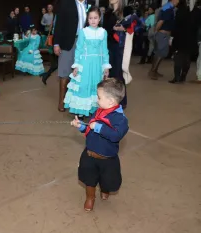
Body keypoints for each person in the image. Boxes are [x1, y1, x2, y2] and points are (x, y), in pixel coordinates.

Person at [70, 78, 129, 212]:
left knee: (107, 179)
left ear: (111, 101)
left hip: (107, 158)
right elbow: (89, 130)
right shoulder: (98, 112)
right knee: (89, 178)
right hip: (90, 153)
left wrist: (98, 127)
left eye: (99, 97)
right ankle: (90, 197)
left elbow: (115, 136)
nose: (97, 99)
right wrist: (80, 127)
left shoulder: (121, 120)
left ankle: (105, 189)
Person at [64, 6, 111, 117]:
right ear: (87, 19)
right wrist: (76, 65)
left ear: (99, 19)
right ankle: (81, 110)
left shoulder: (103, 32)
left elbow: (105, 50)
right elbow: (79, 49)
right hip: (84, 63)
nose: (93, 20)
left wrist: (106, 66)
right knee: (84, 85)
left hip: (97, 64)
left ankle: (93, 109)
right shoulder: (83, 32)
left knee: (96, 86)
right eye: (90, 18)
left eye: (95, 18)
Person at [53, 0, 88, 112]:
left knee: (82, 72)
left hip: (85, 43)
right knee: (65, 72)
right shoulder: (66, 3)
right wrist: (56, 43)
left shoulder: (89, 4)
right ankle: (62, 101)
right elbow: (59, 24)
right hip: (68, 42)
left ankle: (78, 101)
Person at [103, 0, 127, 108]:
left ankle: (122, 101)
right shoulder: (108, 12)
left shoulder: (124, 11)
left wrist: (124, 28)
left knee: (117, 73)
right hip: (108, 45)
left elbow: (133, 27)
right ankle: (113, 100)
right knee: (110, 74)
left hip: (118, 46)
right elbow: (105, 29)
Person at [148, 0, 179, 80]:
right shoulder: (168, 9)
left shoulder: (167, 7)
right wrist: (155, 32)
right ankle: (153, 71)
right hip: (163, 34)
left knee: (159, 53)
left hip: (163, 34)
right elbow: (161, 21)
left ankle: (154, 70)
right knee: (161, 53)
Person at [169, 0, 191, 84]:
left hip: (179, 38)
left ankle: (177, 77)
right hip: (188, 39)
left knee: (178, 58)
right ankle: (183, 76)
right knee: (186, 58)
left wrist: (172, 37)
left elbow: (176, 26)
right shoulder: (189, 12)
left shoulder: (178, 13)